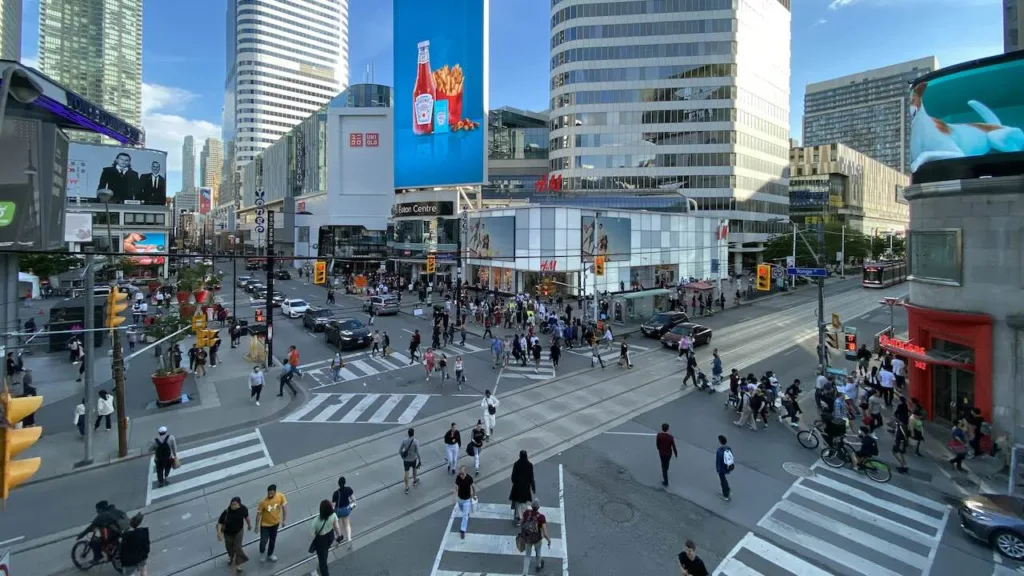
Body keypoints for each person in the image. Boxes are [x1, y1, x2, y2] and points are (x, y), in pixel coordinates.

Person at [254, 484, 288, 562]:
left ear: (275, 492)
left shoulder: (280, 496)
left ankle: (270, 554)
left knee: (272, 541)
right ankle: (262, 552)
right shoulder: (263, 502)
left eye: (272, 493)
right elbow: (258, 515)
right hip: (265, 525)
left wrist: (284, 520)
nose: (270, 495)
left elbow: (284, 507)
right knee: (263, 541)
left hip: (275, 524)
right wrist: (256, 526)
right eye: (269, 493)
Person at [217, 497, 251, 574]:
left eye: (234, 504)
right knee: (229, 547)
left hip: (238, 531)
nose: (232, 506)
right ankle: (231, 556)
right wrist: (219, 533)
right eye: (231, 504)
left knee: (238, 547)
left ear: (239, 504)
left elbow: (246, 517)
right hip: (228, 533)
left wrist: (249, 525)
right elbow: (220, 522)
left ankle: (239, 562)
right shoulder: (227, 512)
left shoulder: (243, 509)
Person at [309, 500, 342, 576]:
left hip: (321, 540)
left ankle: (323, 572)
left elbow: (312, 534)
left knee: (322, 561)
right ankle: (319, 568)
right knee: (324, 553)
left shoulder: (316, 521)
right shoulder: (333, 515)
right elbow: (337, 527)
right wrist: (339, 535)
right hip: (330, 536)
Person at [520, 499, 552, 574]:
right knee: (538, 553)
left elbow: (521, 522)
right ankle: (538, 566)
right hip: (537, 539)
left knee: (527, 555)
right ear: (538, 507)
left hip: (527, 538)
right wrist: (548, 540)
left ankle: (524, 573)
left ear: (531, 506)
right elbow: (545, 532)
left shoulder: (527, 512)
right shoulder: (541, 517)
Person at [509, 450, 536, 524]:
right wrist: (533, 486)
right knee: (524, 502)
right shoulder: (529, 465)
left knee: (517, 502)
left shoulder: (516, 464)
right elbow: (531, 477)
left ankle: (519, 516)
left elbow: (513, 476)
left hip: (517, 487)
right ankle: (524, 515)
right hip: (526, 487)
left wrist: (514, 482)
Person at [453, 465, 477, 539]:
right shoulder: (458, 477)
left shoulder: (469, 478)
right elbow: (456, 487)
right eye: (460, 473)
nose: (461, 475)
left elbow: (473, 486)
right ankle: (466, 512)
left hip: (467, 499)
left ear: (465, 472)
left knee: (465, 515)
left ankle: (463, 530)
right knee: (462, 510)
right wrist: (454, 496)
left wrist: (474, 495)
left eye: (462, 474)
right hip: (460, 499)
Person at [332, 477, 356, 546]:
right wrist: (353, 504)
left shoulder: (336, 493)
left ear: (338, 484)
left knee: (336, 523)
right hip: (346, 510)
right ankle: (349, 539)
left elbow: (333, 506)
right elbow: (354, 499)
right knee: (347, 524)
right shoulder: (348, 489)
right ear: (345, 482)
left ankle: (339, 535)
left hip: (338, 511)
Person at [400, 428, 421, 494]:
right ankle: (414, 481)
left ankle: (406, 487)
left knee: (406, 473)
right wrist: (420, 460)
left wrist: (403, 456)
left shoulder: (404, 441)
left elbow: (400, 450)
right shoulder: (416, 442)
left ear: (408, 433)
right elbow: (417, 453)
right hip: (413, 459)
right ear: (413, 433)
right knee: (414, 469)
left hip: (406, 460)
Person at [715, 435, 734, 502]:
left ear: (720, 442)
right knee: (724, 479)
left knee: (722, 481)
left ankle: (726, 495)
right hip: (727, 467)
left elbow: (718, 461)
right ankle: (728, 490)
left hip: (721, 469)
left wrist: (717, 469)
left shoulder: (719, 451)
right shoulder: (728, 448)